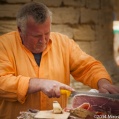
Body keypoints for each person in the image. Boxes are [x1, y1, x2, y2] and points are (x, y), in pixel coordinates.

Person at [0, 2, 119, 119]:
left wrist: (102, 82)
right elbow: (2, 82)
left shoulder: (63, 43)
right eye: (36, 36)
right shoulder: (4, 45)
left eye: (47, 33)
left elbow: (88, 66)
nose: (43, 40)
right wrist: (39, 84)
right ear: (20, 30)